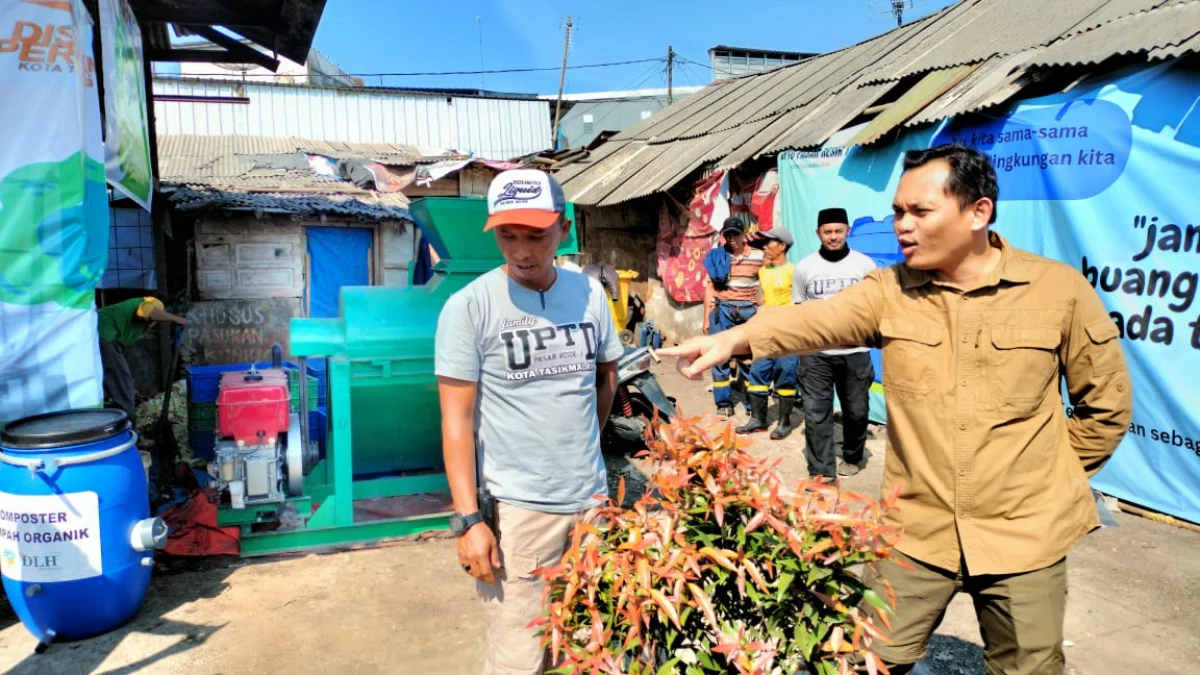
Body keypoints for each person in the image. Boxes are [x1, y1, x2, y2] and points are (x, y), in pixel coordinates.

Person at [659, 144, 1132, 675]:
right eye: (898, 211)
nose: (902, 225)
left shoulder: (1056, 290)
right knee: (867, 662)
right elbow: (814, 321)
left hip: (1024, 538)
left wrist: (1048, 479)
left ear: (978, 212)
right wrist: (738, 338)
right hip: (917, 534)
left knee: (1030, 669)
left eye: (920, 212)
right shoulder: (889, 291)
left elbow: (1106, 406)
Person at [434, 168, 623, 675]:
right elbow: (456, 421)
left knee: (593, 646)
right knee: (519, 656)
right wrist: (469, 520)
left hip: (592, 504)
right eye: (507, 235)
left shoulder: (590, 295)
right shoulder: (469, 307)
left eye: (536, 235)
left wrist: (583, 449)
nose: (521, 251)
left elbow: (605, 381)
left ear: (563, 229)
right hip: (519, 514)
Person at [791, 208, 880, 478]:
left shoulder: (865, 265)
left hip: (855, 351)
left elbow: (873, 305)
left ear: (847, 231)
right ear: (818, 233)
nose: (833, 237)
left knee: (856, 411)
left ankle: (853, 456)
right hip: (816, 354)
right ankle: (821, 472)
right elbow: (800, 311)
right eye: (827, 232)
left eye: (838, 231)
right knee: (816, 413)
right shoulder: (805, 267)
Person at [736, 227, 800, 439]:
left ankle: (784, 422)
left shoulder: (794, 271)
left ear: (782, 246)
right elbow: (762, 298)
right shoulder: (764, 272)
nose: (765, 247)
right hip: (765, 332)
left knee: (785, 376)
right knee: (757, 373)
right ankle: (758, 420)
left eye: (769, 243)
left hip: (788, 334)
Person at [702, 217, 764, 417]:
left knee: (748, 359)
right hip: (723, 310)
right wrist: (706, 318)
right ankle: (723, 403)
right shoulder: (718, 258)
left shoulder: (759, 258)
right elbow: (710, 289)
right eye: (727, 235)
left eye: (735, 234)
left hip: (749, 312)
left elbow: (765, 284)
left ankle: (749, 403)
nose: (731, 239)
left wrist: (762, 309)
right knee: (720, 358)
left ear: (744, 234)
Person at [97, 296, 187, 421]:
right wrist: (176, 319)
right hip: (104, 332)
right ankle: (128, 421)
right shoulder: (153, 301)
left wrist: (132, 390)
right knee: (121, 377)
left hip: (101, 333)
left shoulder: (129, 324)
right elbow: (143, 313)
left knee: (113, 377)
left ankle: (109, 415)